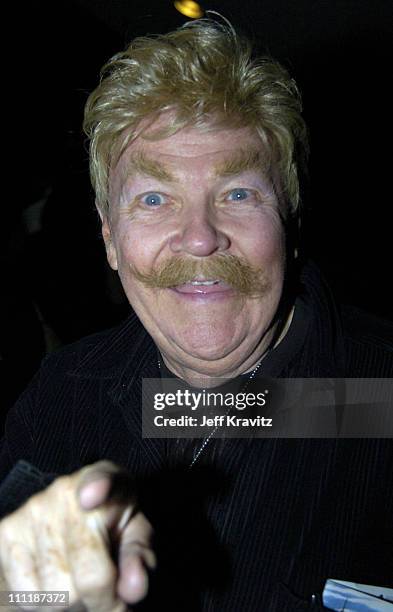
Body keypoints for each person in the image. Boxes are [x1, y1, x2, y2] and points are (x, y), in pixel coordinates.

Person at [0, 18, 392, 612]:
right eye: (154, 199)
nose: (200, 238)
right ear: (110, 238)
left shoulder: (380, 395)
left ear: (288, 224)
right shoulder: (59, 398)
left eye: (238, 193)